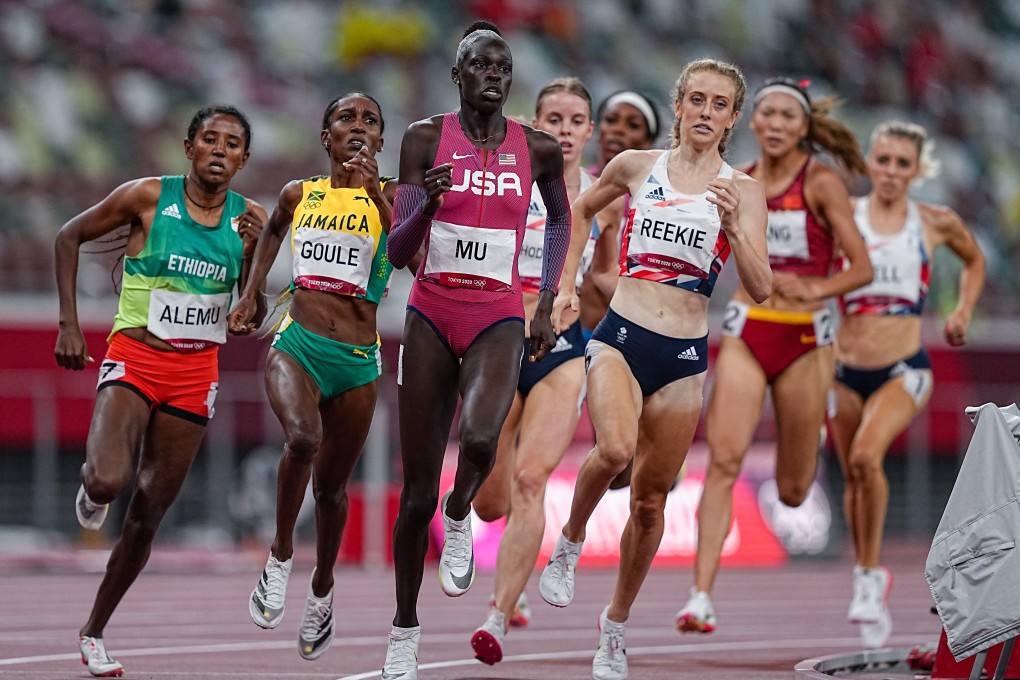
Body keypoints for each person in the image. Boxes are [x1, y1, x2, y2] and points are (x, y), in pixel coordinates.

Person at [538, 58, 772, 680]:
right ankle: (569, 539)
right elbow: (578, 211)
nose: (705, 112)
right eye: (696, 99)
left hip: (685, 357)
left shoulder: (744, 191)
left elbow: (763, 286)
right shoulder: (637, 167)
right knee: (614, 449)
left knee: (649, 505)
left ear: (731, 117)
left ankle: (613, 627)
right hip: (621, 335)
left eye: (718, 104)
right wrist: (565, 287)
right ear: (680, 105)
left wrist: (734, 229)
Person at [380, 20, 570, 680]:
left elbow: (562, 219)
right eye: (479, 66)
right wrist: (424, 209)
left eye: (502, 67)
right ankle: (404, 627)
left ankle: (461, 510)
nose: (492, 76)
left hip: (498, 314)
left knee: (484, 442)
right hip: (431, 312)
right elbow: (398, 255)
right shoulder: (425, 139)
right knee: (412, 498)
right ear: (457, 76)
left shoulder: (539, 148)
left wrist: (545, 301)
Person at [54, 105, 266, 678]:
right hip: (136, 357)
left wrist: (253, 260)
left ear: (245, 159)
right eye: (209, 139)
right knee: (106, 479)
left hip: (196, 374)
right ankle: (92, 493)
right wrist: (69, 324)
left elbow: (253, 313)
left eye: (232, 144)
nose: (219, 150)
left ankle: (94, 631)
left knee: (148, 513)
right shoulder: (147, 197)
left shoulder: (253, 222)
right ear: (189, 146)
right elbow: (68, 236)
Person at [676, 77, 874, 635]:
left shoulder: (822, 183)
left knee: (791, 490)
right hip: (749, 325)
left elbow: (861, 267)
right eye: (767, 113)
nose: (777, 123)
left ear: (804, 126)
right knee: (723, 460)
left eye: (789, 115)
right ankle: (700, 596)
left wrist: (818, 288)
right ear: (752, 121)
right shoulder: (739, 180)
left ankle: (804, 432)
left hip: (807, 336)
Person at [227, 93, 394, 661]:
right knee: (302, 438)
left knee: (331, 490)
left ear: (380, 140)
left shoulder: (391, 197)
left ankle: (322, 588)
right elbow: (273, 230)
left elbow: (410, 255)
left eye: (370, 121)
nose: (358, 127)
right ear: (326, 136)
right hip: (297, 343)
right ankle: (277, 557)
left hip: (357, 360)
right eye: (346, 119)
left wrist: (376, 195)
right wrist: (251, 294)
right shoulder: (301, 194)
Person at [828, 120, 984, 648]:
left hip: (904, 367)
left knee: (867, 458)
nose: (892, 172)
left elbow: (974, 260)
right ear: (870, 162)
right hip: (844, 368)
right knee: (853, 475)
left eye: (902, 163)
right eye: (884, 160)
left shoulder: (934, 221)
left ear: (917, 171)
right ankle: (865, 570)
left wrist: (961, 310)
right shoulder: (844, 217)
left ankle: (870, 579)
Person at [468, 76, 601, 664]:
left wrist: (585, 295)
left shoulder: (604, 196)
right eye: (555, 119)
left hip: (561, 352)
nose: (565, 130)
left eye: (576, 121)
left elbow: (618, 274)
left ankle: (497, 616)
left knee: (529, 481)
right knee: (488, 501)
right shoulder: (509, 185)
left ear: (589, 131)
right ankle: (506, 579)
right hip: (499, 345)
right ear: (533, 124)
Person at [580, 90, 660, 336]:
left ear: (648, 143)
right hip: (572, 333)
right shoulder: (576, 187)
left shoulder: (657, 204)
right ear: (597, 129)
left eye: (633, 125)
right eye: (611, 120)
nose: (619, 129)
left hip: (626, 336)